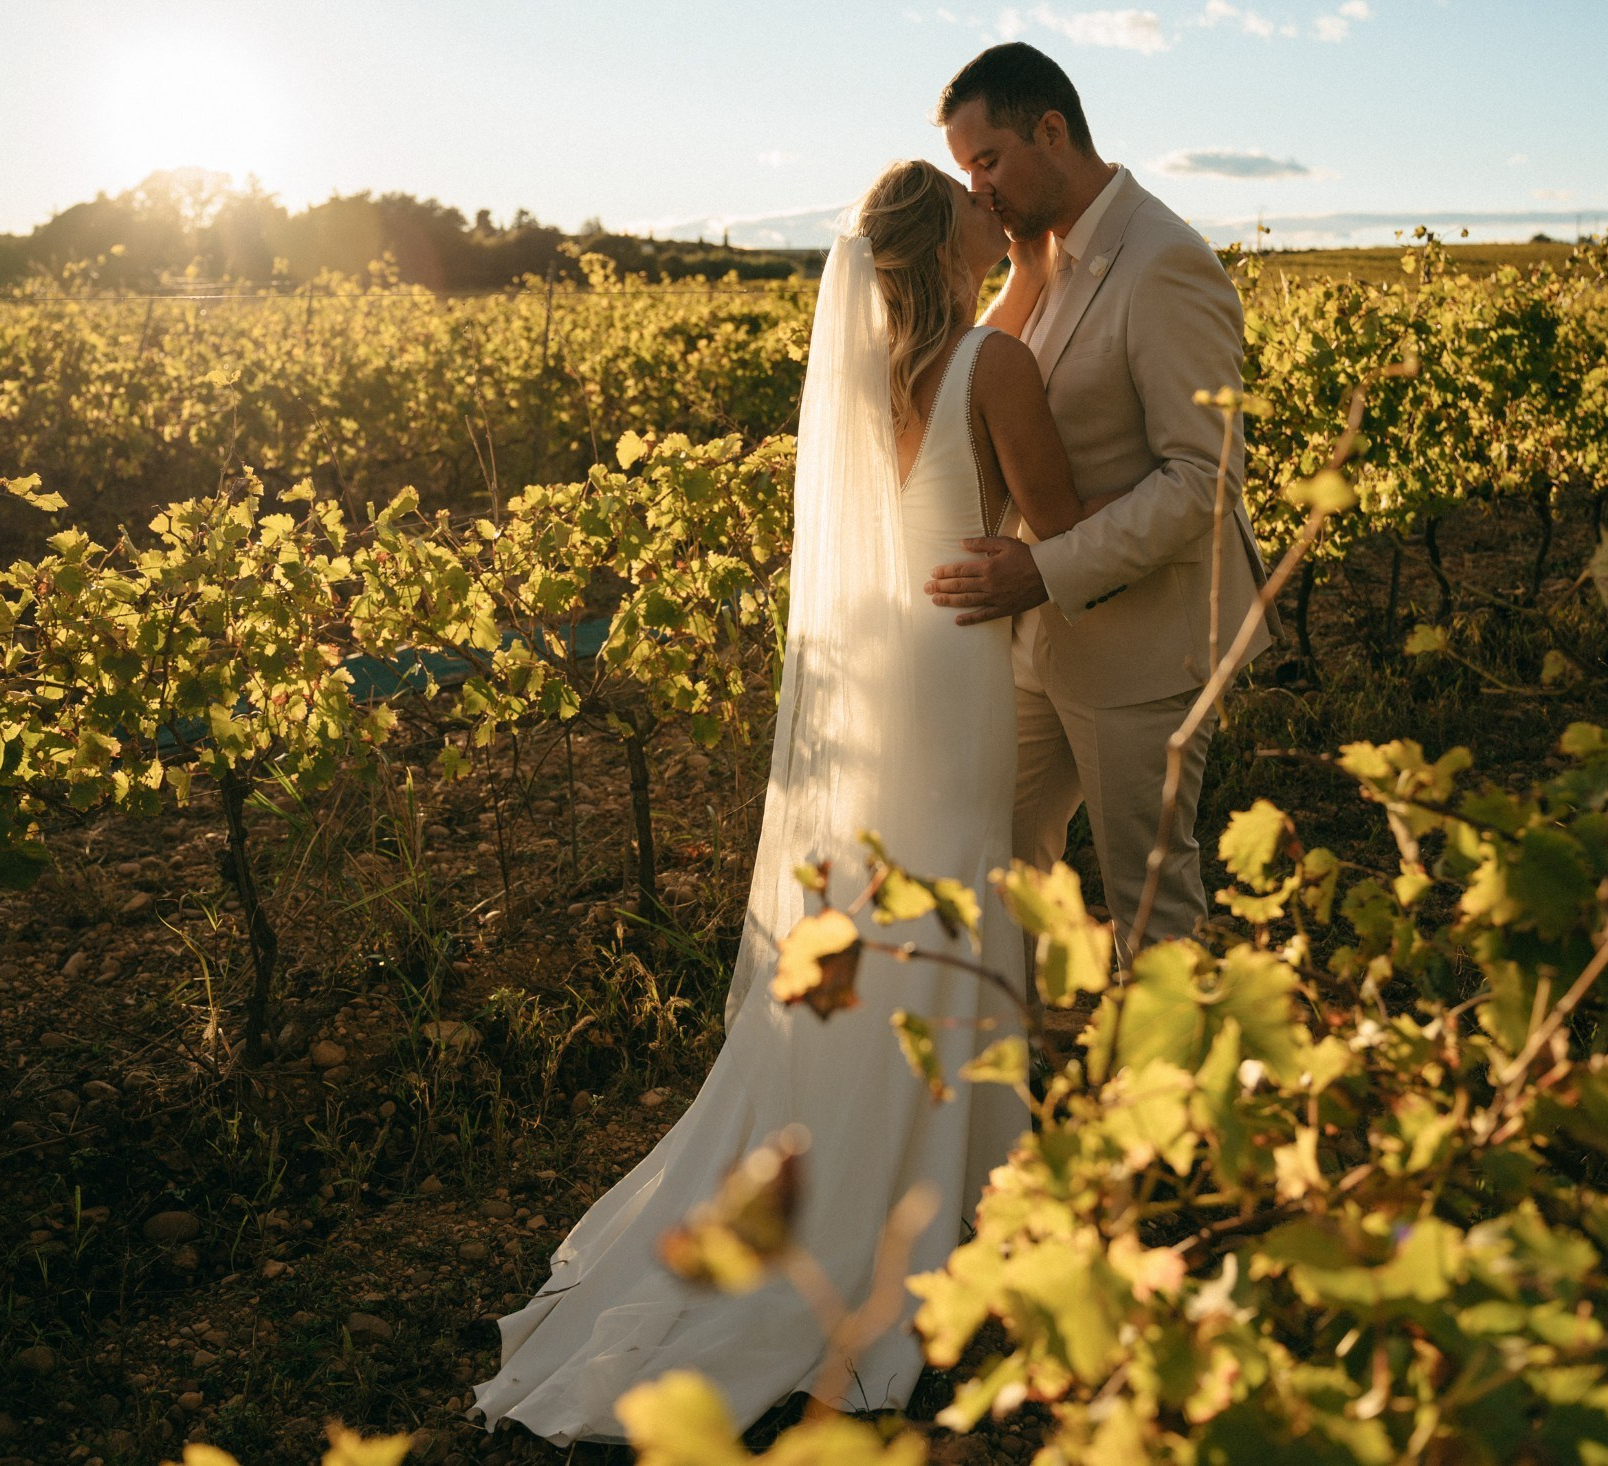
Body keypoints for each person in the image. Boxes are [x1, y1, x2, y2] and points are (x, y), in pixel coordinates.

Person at [470, 158, 1122, 1445]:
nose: (1001, 227)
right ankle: (945, 1183)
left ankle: (873, 1148)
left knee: (887, 886)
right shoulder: (995, 365)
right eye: (982, 217)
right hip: (959, 663)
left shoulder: (860, 375)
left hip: (884, 664)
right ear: (949, 250)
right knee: (952, 875)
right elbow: (1059, 532)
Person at [926, 42, 1276, 962]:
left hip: (1142, 646)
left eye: (989, 161)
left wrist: (1043, 571)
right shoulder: (1041, 258)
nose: (982, 189)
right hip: (1042, 642)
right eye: (968, 172)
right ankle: (1028, 1070)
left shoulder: (1165, 263)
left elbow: (1204, 480)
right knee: (1002, 857)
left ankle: (1172, 1099)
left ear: (1052, 131)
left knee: (1150, 898)